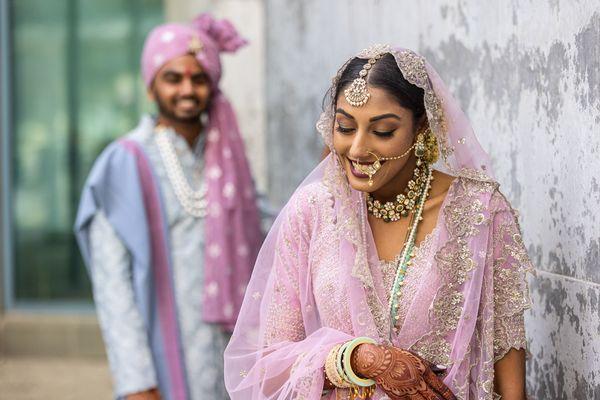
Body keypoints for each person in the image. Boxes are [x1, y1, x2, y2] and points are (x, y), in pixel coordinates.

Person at [224, 45, 532, 400]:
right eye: (345, 127)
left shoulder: (478, 210)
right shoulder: (313, 210)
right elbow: (266, 366)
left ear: (421, 128)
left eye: (382, 131)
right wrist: (358, 359)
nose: (357, 149)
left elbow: (505, 346)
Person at [74, 13, 263, 400]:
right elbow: (114, 288)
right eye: (173, 78)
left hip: (229, 357)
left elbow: (272, 229)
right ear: (151, 86)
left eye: (199, 78)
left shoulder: (227, 159)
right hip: (163, 360)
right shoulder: (124, 162)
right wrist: (137, 383)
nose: (187, 90)